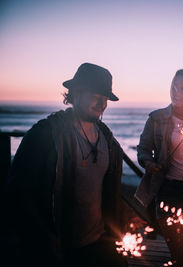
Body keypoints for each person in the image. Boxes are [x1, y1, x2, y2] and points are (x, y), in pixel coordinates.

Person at [4, 63, 144, 267]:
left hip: (100, 243)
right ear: (76, 93)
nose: (101, 103)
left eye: (106, 98)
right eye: (95, 95)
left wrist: (125, 219)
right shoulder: (44, 135)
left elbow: (105, 192)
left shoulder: (108, 141)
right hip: (56, 250)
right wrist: (43, 239)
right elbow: (17, 193)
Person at [135, 67, 183, 267]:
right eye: (174, 86)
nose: (176, 92)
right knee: (180, 253)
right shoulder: (157, 119)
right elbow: (143, 148)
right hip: (167, 190)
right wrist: (148, 163)